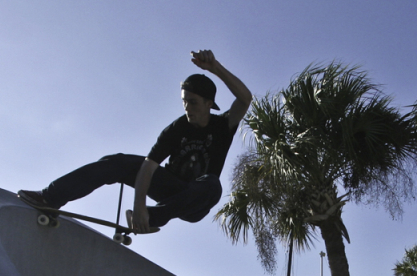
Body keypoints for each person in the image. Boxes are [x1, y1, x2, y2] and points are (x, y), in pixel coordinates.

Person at [19, 50, 252, 235]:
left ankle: (153, 217)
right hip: (169, 188)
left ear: (209, 103)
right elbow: (149, 166)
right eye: (184, 102)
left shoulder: (223, 126)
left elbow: (245, 98)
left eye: (193, 103)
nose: (187, 108)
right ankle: (50, 197)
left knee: (211, 183)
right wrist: (138, 204)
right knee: (117, 162)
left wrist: (215, 68)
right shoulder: (177, 128)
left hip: (195, 201)